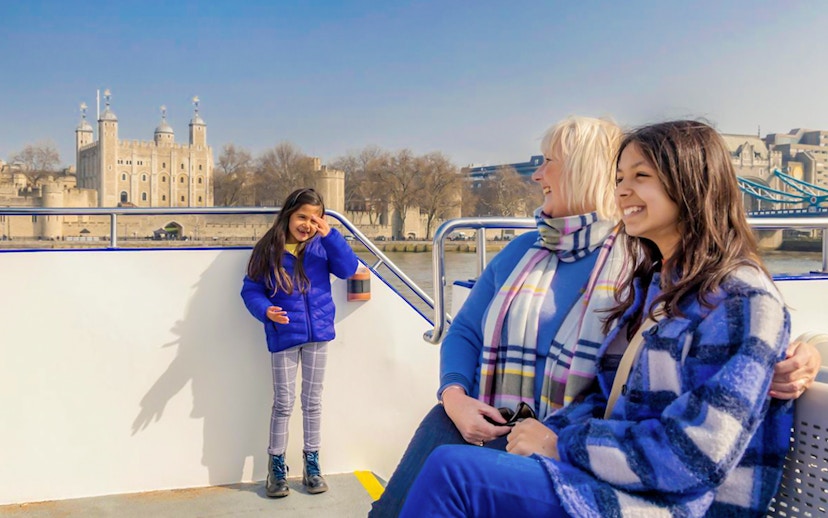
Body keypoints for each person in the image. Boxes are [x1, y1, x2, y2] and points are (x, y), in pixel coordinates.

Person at [369, 116, 821, 517]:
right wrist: (465, 400)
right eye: (621, 176)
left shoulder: (662, 273)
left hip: (644, 485)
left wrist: (808, 352)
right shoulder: (654, 282)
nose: (536, 174)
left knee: (454, 474)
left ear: (688, 185)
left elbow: (698, 446)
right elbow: (607, 393)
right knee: (443, 434)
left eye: (640, 176)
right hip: (566, 445)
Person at [241, 187, 359, 498]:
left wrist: (331, 235)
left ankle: (312, 465)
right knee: (283, 403)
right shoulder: (268, 249)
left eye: (315, 219)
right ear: (289, 215)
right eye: (301, 217)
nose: (307, 224)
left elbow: (348, 269)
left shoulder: (322, 246)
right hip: (284, 335)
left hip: (318, 335)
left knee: (312, 401)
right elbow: (251, 289)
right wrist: (265, 311)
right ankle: (276, 468)